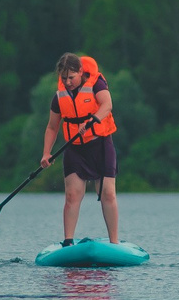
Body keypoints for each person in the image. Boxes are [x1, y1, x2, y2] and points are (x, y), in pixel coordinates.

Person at [39, 52, 121, 244]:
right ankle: (68, 241)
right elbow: (52, 127)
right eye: (64, 78)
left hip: (100, 144)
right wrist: (46, 153)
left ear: (81, 72)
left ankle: (114, 243)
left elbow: (107, 105)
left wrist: (93, 119)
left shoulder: (97, 84)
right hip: (75, 149)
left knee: (107, 193)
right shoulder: (59, 96)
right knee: (72, 194)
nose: (67, 82)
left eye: (71, 77)